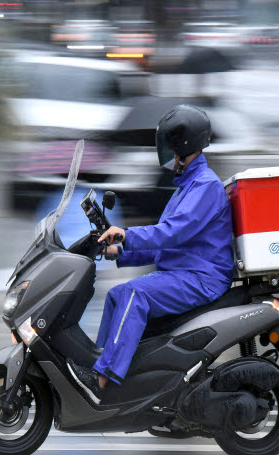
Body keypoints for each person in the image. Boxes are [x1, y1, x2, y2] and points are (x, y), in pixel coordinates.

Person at [67, 104, 234, 404]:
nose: (167, 154)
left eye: (170, 146)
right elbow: (164, 243)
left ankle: (103, 378)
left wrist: (128, 235)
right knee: (117, 294)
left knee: (135, 295)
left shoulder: (205, 186)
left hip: (202, 277)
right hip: (184, 272)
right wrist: (117, 251)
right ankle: (96, 366)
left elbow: (173, 232)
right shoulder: (186, 187)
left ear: (184, 146)